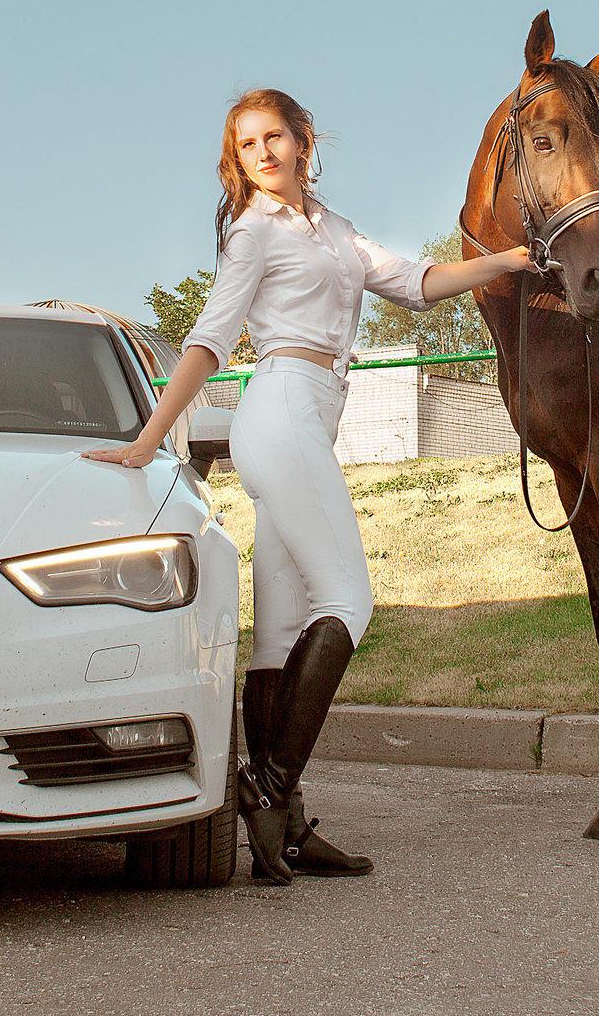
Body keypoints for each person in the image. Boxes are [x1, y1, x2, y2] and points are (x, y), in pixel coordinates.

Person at [84, 87, 528, 884]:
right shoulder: (253, 233)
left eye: (273, 136)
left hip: (305, 417)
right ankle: (267, 782)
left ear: (303, 140)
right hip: (281, 412)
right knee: (349, 601)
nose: (261, 151)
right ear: (238, 158)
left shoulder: (336, 231)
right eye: (246, 142)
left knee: (280, 632)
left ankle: (282, 830)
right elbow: (211, 338)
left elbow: (416, 282)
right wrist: (148, 439)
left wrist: (503, 260)